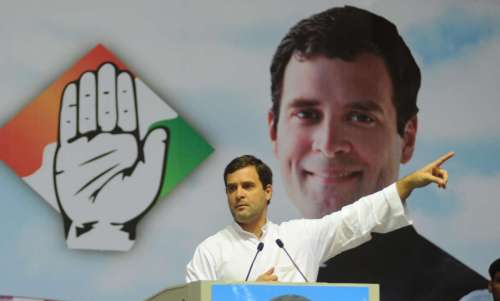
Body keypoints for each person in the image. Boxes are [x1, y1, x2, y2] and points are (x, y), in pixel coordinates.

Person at [267, 5, 487, 300]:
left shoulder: (461, 295)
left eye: (360, 117)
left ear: (407, 138)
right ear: (274, 131)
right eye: (307, 114)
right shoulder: (242, 281)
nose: (329, 145)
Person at [186, 153, 451, 283]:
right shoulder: (210, 251)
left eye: (247, 186)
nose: (238, 194)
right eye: (232, 188)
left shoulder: (298, 237)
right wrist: (247, 297)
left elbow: (355, 218)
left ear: (268, 192)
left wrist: (408, 184)